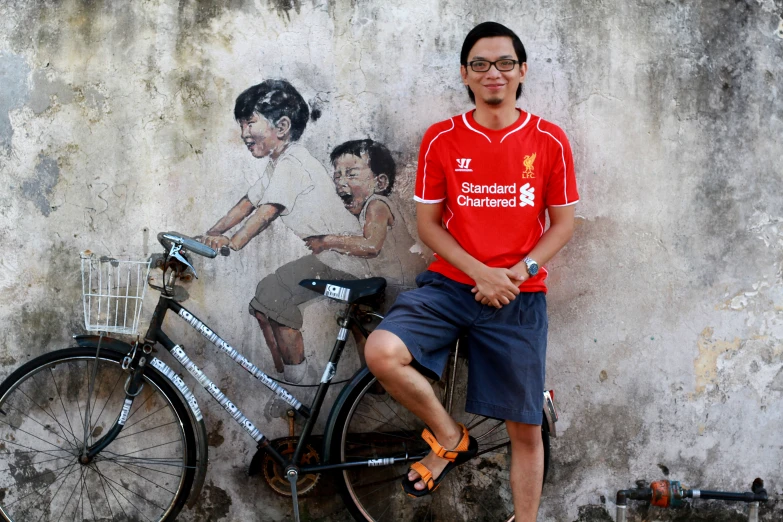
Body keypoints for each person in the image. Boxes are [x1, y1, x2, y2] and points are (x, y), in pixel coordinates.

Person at [363, 22, 579, 521]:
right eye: (480, 63)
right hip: (451, 285)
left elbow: (562, 224)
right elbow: (429, 225)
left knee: (524, 427)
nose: (493, 72)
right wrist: (480, 272)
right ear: (465, 74)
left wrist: (516, 274)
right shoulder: (442, 138)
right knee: (382, 351)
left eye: (505, 62)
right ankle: (447, 435)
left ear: (522, 71)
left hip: (520, 295)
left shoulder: (549, 140)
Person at [201, 79, 361, 383]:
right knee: (262, 304)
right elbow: (248, 203)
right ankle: (285, 379)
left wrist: (232, 243)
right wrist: (207, 234)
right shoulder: (277, 165)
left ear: (283, 126)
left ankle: (300, 383)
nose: (244, 133)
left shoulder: (294, 163)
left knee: (273, 298)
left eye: (250, 122)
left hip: (343, 259)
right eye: (241, 124)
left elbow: (266, 212)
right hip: (329, 258)